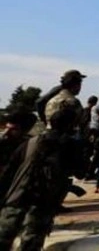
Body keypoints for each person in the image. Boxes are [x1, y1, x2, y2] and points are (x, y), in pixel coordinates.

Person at [0, 107, 85, 251]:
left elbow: (9, 172)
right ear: (71, 125)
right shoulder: (71, 145)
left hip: (16, 198)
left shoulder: (30, 142)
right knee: (31, 243)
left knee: (3, 238)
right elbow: (81, 173)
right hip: (43, 202)